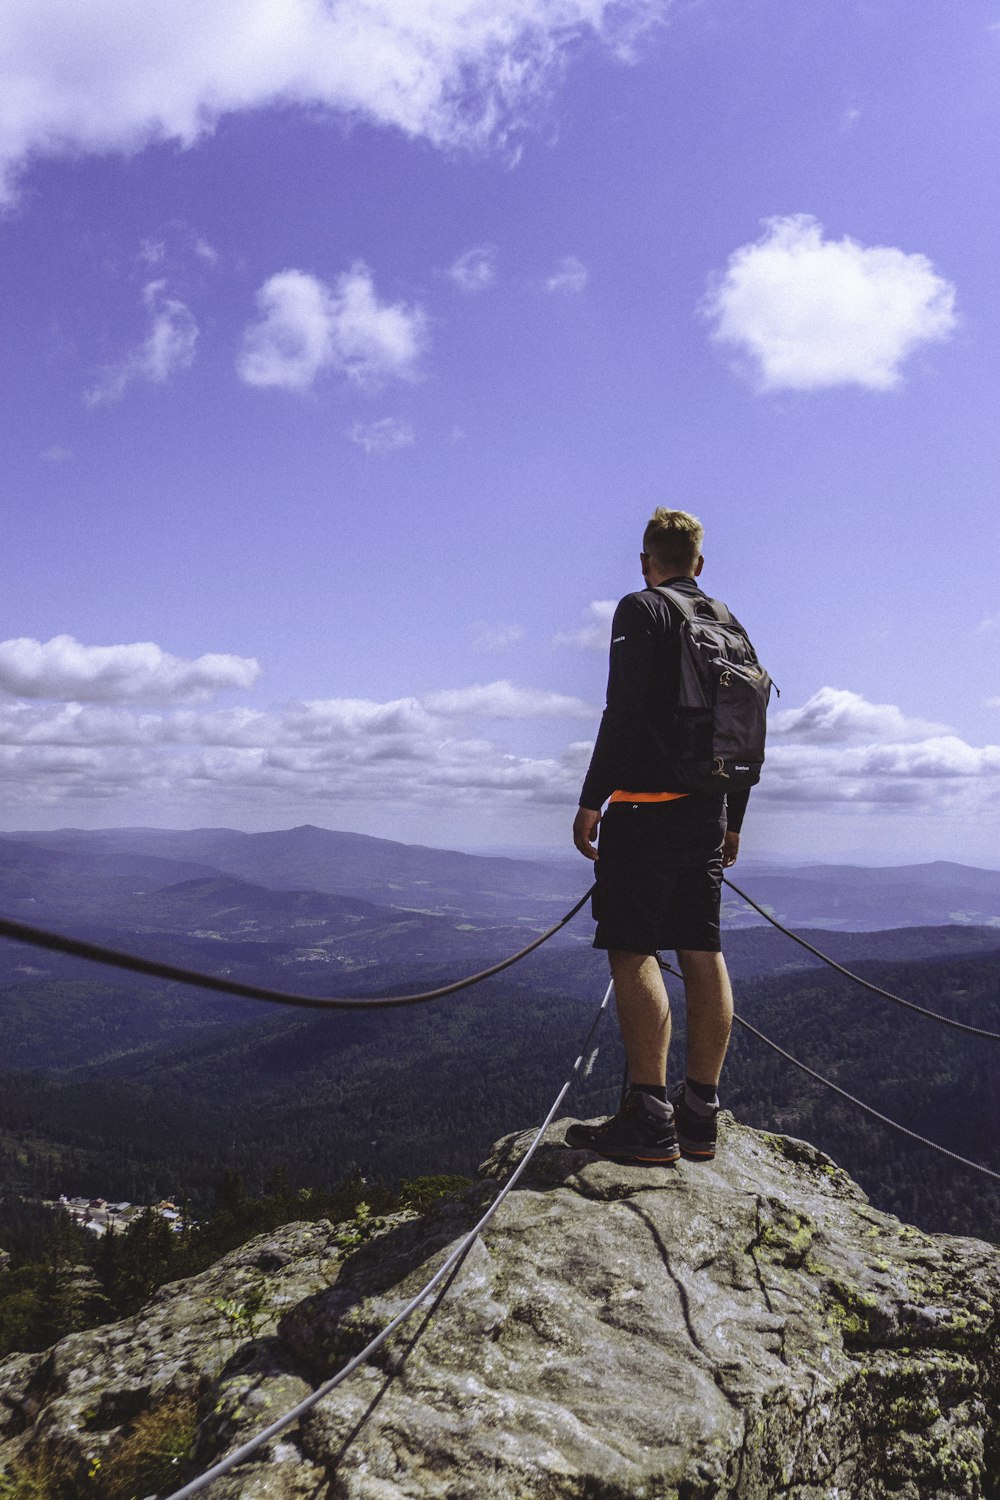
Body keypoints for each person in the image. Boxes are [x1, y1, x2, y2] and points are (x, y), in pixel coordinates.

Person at [566, 507, 752, 1166]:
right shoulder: (727, 623)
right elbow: (742, 725)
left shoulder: (640, 609)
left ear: (647, 560)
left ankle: (649, 1117)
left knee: (631, 946)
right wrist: (733, 818)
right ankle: (700, 1114)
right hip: (707, 811)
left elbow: (624, 708)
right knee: (702, 948)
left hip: (645, 809)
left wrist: (592, 800)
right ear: (699, 563)